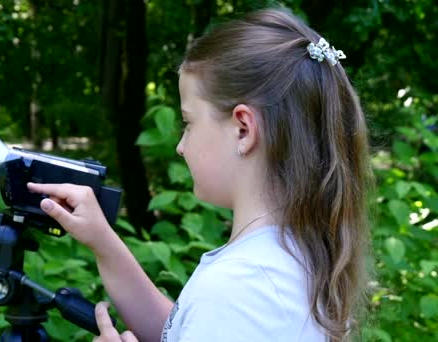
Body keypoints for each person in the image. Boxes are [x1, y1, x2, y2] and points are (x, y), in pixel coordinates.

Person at [27, 7, 373, 342]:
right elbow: (183, 330)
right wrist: (102, 241)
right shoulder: (277, 260)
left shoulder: (240, 287)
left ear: (242, 129)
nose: (181, 146)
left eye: (188, 123)